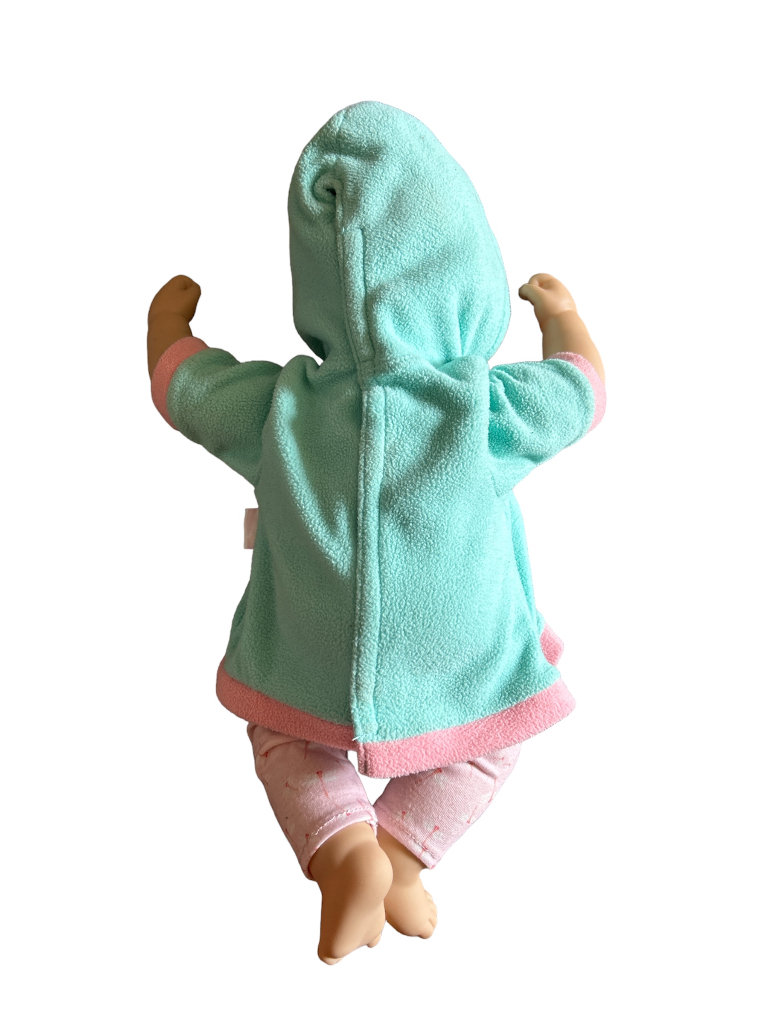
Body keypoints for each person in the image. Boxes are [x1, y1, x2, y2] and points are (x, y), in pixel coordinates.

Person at [148, 101, 606, 965]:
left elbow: (184, 391)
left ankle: (342, 851)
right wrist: (564, 317)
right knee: (500, 725)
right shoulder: (481, 408)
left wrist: (166, 330)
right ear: (470, 274)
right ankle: (400, 850)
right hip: (457, 641)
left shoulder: (281, 406)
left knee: (284, 734)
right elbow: (580, 393)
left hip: (310, 644)